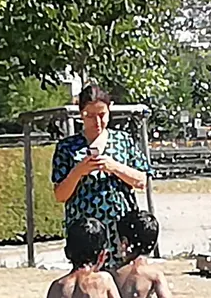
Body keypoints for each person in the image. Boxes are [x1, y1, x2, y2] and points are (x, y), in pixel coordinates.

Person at [51, 84, 152, 269]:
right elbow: (60, 195)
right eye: (89, 116)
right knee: (87, 286)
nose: (96, 122)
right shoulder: (67, 147)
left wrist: (114, 167)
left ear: (109, 110)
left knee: (122, 285)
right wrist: (78, 171)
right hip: (85, 230)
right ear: (80, 113)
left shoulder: (124, 141)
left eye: (102, 115)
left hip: (120, 228)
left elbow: (142, 181)